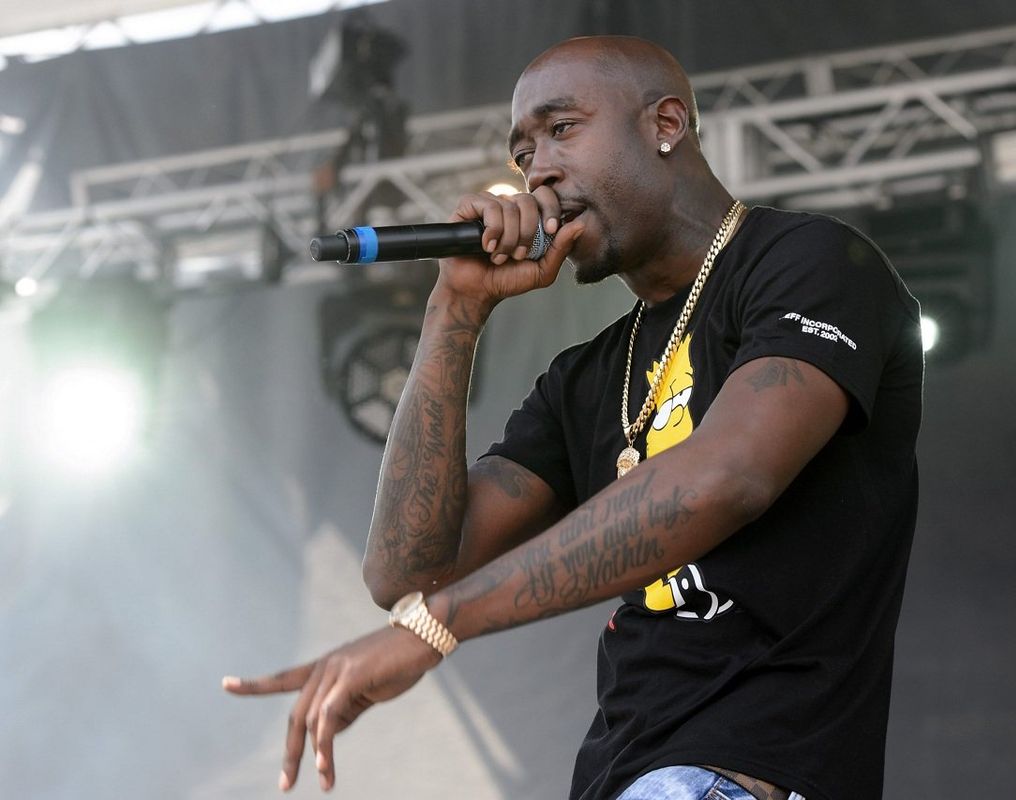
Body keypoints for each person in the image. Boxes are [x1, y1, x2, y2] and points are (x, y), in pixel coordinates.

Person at [224, 35, 923, 800]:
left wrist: (439, 624)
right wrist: (454, 309)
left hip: (742, 773)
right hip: (622, 774)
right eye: (524, 154)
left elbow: (730, 476)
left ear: (665, 125)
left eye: (561, 130)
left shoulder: (810, 263)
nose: (539, 171)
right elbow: (408, 573)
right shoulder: (583, 379)